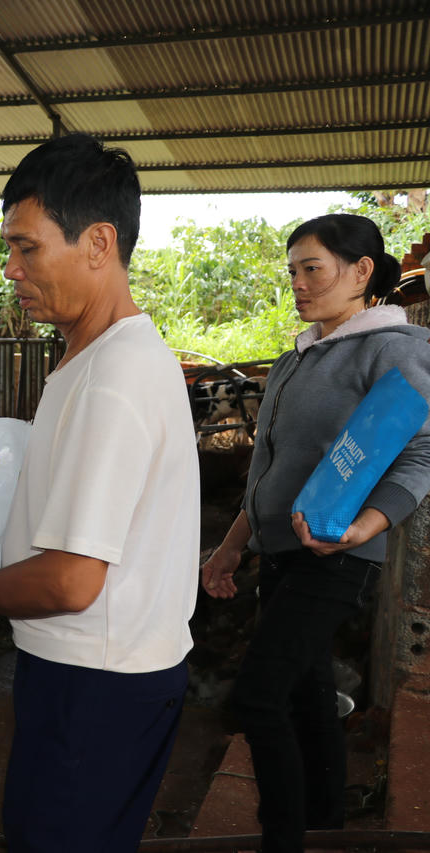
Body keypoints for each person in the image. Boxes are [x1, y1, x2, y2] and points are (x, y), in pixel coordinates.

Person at [0, 133, 200, 851]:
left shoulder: (113, 379)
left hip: (95, 683)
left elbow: (72, 577)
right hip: (102, 671)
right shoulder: (94, 358)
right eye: (10, 250)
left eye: (28, 248)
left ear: (97, 242)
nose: (11, 270)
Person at [201, 213, 430, 853]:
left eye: (314, 269)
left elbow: (422, 454)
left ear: (361, 272)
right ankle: (326, 821)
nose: (299, 284)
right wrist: (231, 544)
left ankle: (284, 838)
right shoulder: (298, 355)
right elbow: (270, 466)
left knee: (256, 699)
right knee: (306, 691)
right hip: (278, 550)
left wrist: (367, 525)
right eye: (293, 271)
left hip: (334, 555)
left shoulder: (397, 349)